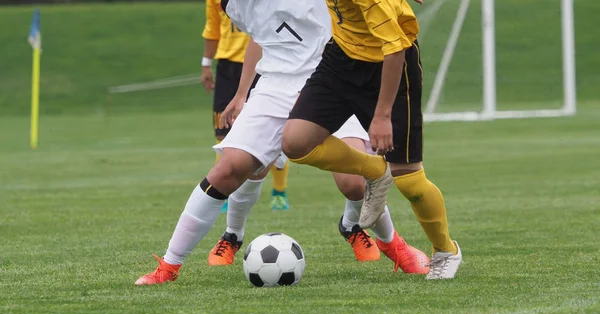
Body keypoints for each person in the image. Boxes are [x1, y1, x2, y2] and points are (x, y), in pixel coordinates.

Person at [135, 0, 427, 286]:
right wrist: (242, 94)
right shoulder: (233, 5)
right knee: (229, 170)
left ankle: (392, 245)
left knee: (353, 183)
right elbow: (262, 38)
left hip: (332, 76)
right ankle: (170, 265)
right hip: (275, 83)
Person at [281, 0, 463, 280]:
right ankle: (375, 171)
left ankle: (445, 251)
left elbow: (395, 50)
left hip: (391, 66)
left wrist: (381, 116)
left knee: (409, 180)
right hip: (341, 60)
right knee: (295, 142)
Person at [207, 114, 430, 273]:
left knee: (354, 183)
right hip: (280, 87)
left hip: (332, 85)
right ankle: (232, 236)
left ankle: (357, 229)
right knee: (251, 166)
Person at [200, 0, 289, 212]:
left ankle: (279, 192)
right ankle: (224, 194)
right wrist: (206, 63)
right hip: (228, 68)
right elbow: (212, 28)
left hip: (264, 65)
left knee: (275, 134)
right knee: (223, 131)